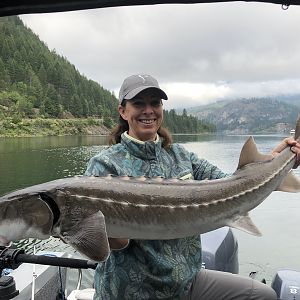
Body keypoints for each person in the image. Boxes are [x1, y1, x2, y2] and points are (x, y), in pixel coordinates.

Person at [85, 74, 300, 300]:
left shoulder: (181, 156)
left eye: (155, 103)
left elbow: (233, 185)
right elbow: (118, 244)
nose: (148, 110)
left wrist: (277, 161)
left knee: (263, 296)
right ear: (123, 111)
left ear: (162, 109)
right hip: (131, 291)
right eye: (139, 103)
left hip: (187, 282)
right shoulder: (104, 165)